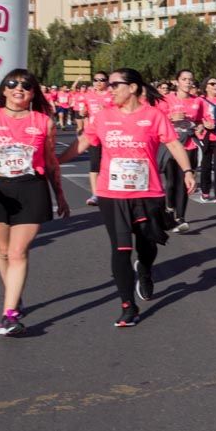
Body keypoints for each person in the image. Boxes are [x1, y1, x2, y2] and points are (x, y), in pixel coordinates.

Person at [62, 68, 194, 326]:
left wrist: (188, 171)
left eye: (115, 85)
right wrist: (56, 161)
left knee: (147, 243)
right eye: (108, 85)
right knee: (120, 248)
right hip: (112, 194)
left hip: (148, 192)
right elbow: (83, 142)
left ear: (132, 88)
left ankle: (144, 269)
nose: (109, 89)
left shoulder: (153, 116)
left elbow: (173, 143)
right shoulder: (103, 116)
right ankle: (127, 306)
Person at [0, 69, 69, 335]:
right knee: (3, 251)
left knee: (17, 252)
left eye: (26, 85)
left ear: (33, 93)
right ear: (4, 90)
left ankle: (8, 314)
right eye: (12, 83)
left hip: (31, 188)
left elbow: (51, 163)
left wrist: (59, 195)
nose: (18, 88)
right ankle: (14, 294)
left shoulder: (43, 122)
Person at [161, 70, 204, 231]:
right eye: (184, 79)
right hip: (171, 145)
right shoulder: (166, 99)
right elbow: (157, 119)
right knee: (171, 182)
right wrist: (171, 118)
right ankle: (169, 209)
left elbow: (199, 120)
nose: (187, 82)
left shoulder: (197, 101)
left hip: (189, 145)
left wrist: (200, 126)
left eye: (190, 79)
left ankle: (180, 218)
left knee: (184, 182)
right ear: (177, 81)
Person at [78, 71, 113, 207]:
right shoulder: (88, 95)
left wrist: (106, 110)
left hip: (110, 134)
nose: (98, 82)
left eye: (102, 80)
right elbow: (83, 111)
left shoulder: (112, 96)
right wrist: (83, 112)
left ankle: (110, 190)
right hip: (94, 134)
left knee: (110, 163)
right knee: (94, 164)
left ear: (107, 82)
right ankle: (95, 194)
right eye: (96, 80)